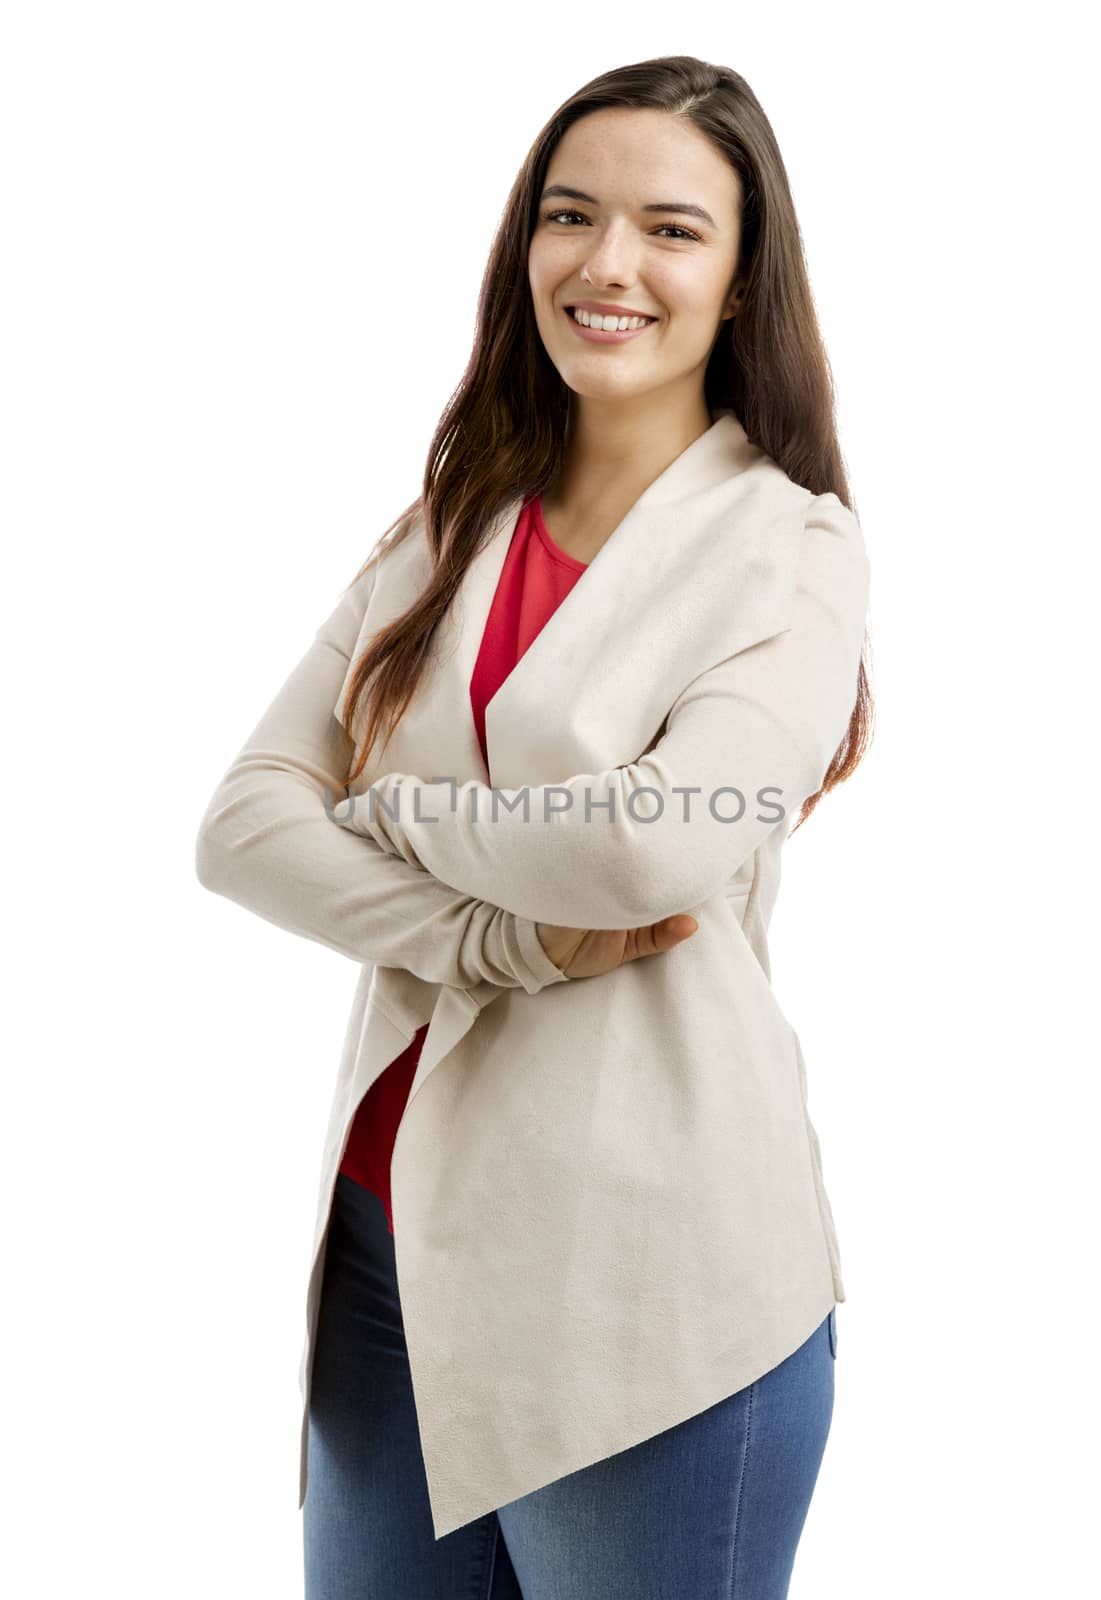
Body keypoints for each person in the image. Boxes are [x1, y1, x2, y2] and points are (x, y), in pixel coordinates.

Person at [196, 52, 873, 1600]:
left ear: (742, 276)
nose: (606, 264)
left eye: (669, 227)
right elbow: (240, 825)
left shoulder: (791, 553)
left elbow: (651, 847)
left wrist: (388, 806)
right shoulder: (448, 521)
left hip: (648, 1287)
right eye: (568, 216)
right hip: (385, 1255)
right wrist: (495, 930)